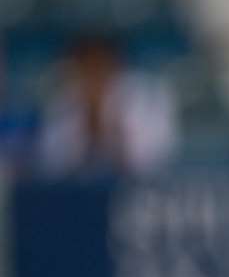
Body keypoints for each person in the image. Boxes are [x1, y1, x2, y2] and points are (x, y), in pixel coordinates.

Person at [37, 34, 177, 175]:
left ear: (116, 65)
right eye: (86, 66)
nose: (93, 73)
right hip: (76, 190)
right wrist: (89, 119)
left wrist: (109, 126)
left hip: (136, 186)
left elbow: (154, 157)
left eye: (99, 65)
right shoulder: (63, 100)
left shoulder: (146, 94)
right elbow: (52, 162)